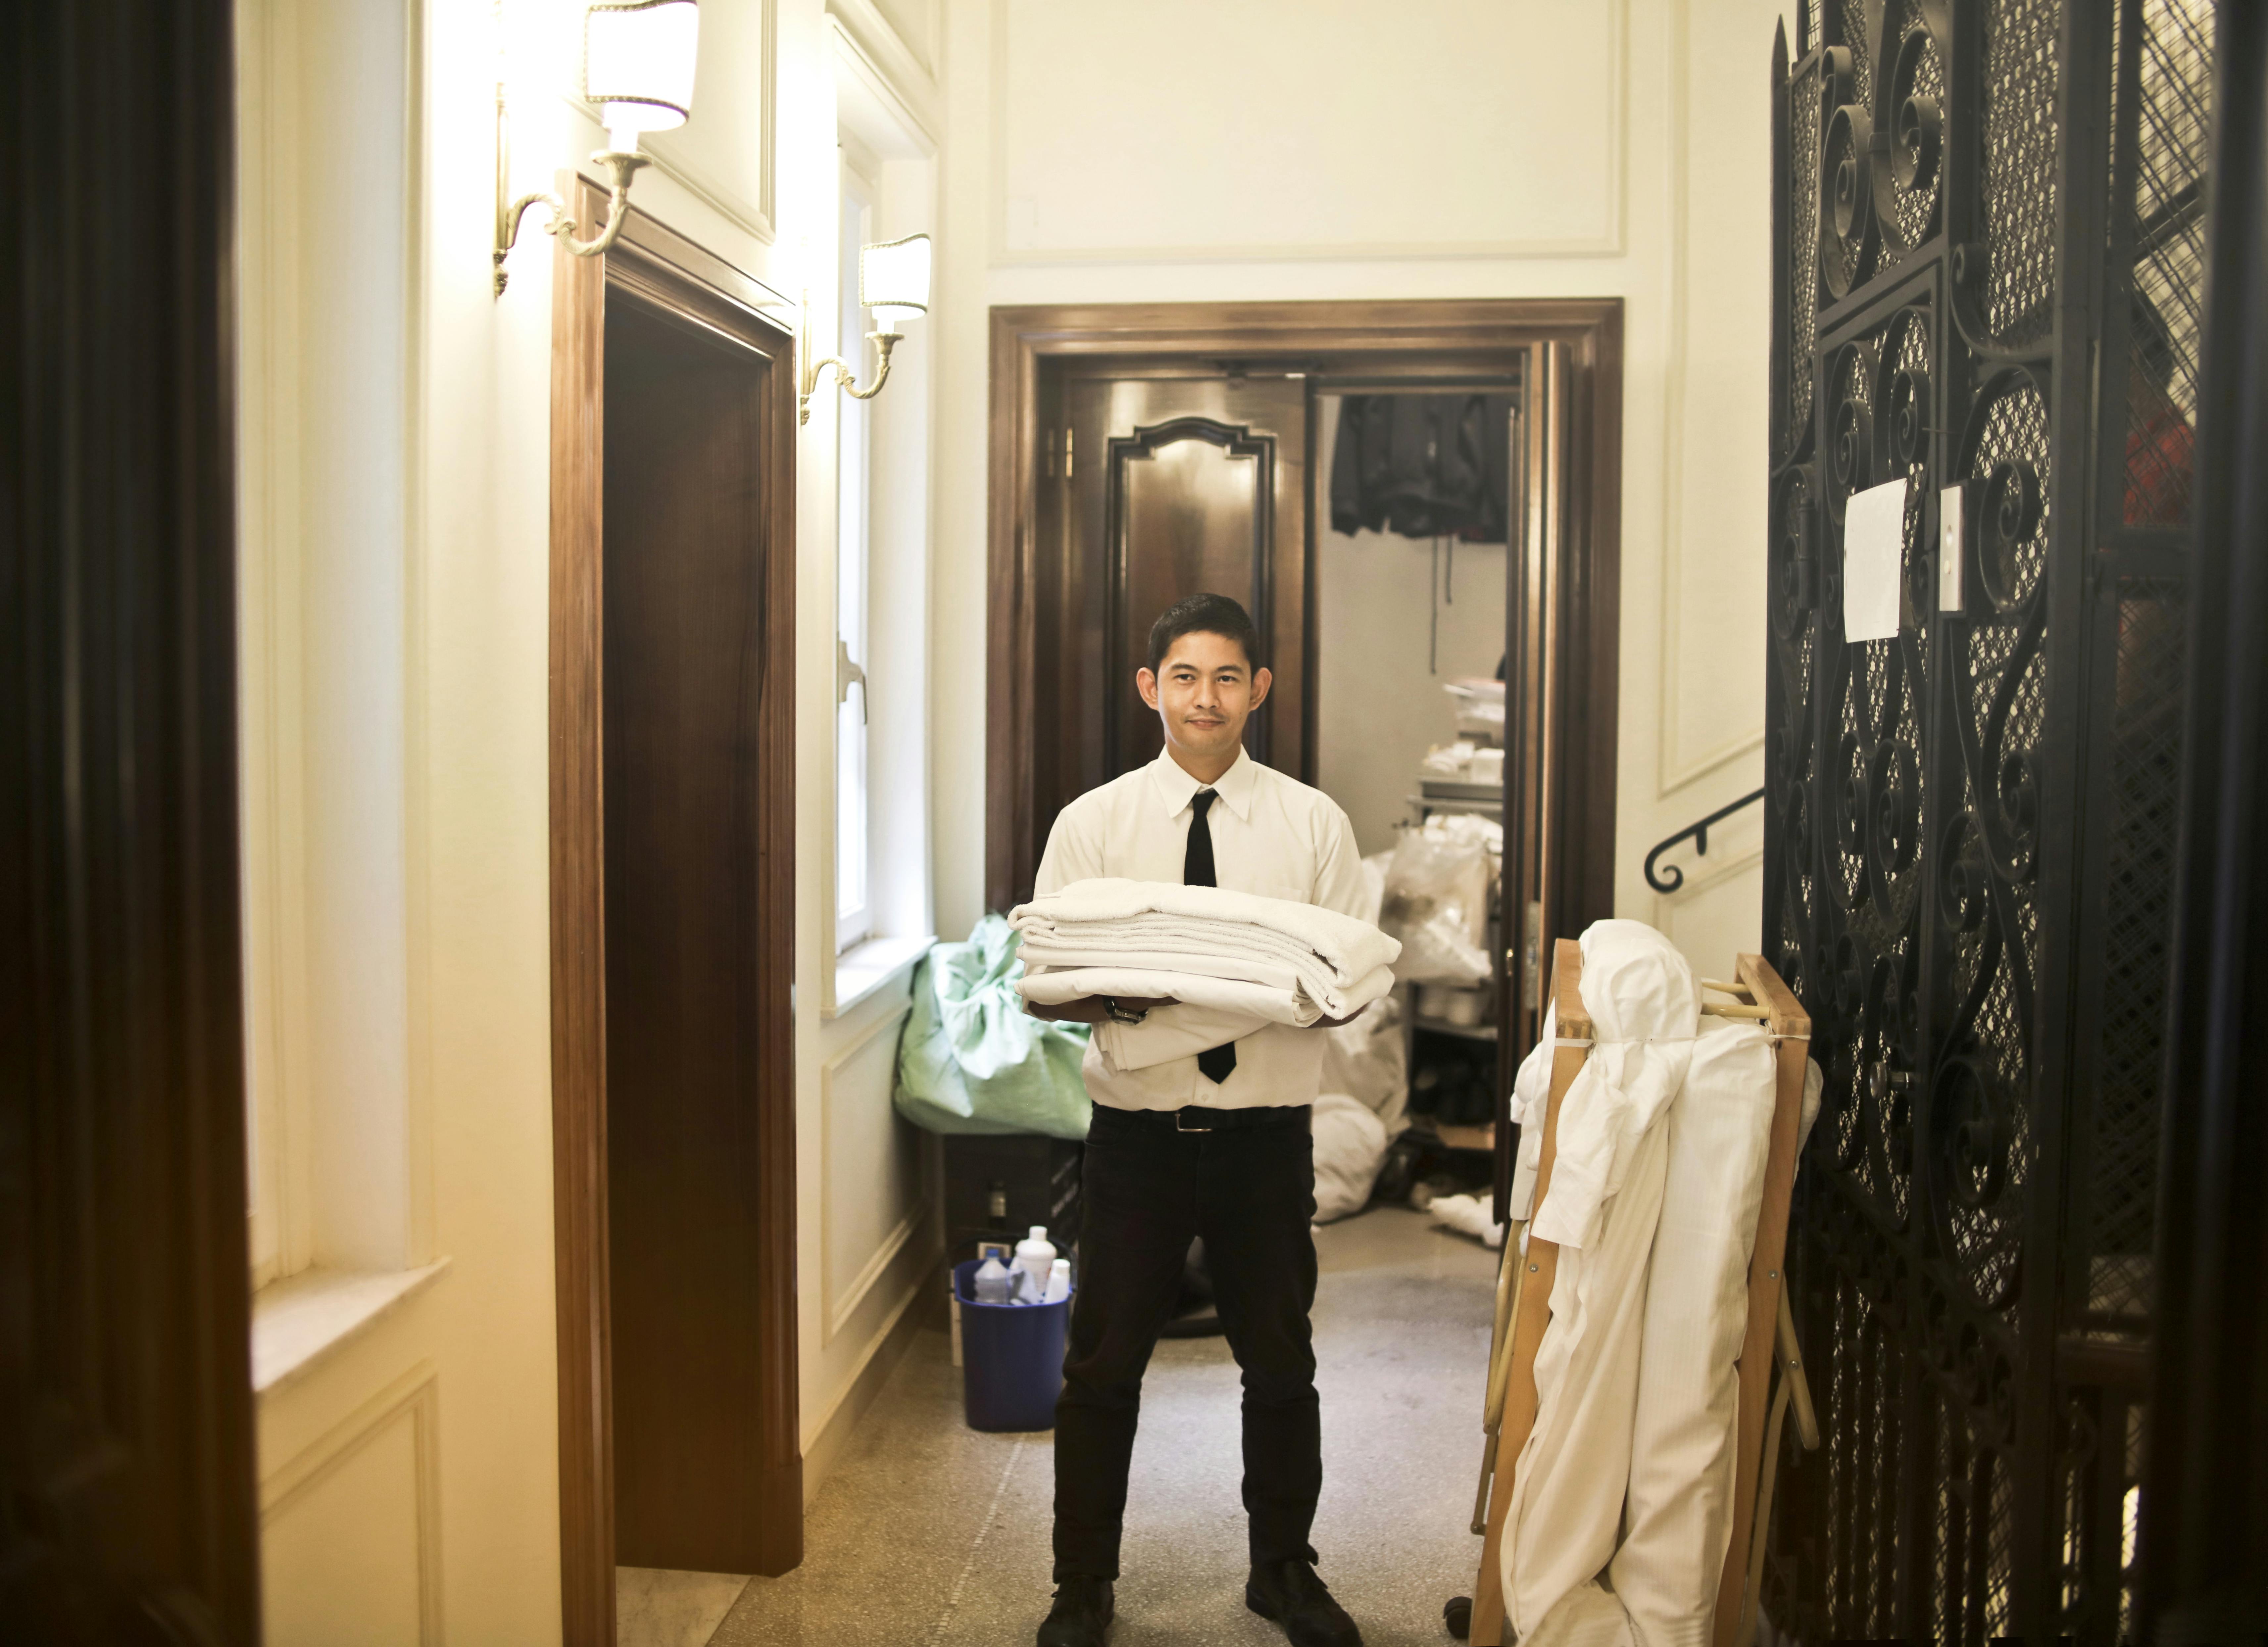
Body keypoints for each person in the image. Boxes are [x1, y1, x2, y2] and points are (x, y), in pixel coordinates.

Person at [1023, 592, 1372, 1647]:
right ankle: (1080, 1586)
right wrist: (1134, 998)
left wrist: (1204, 996)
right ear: (1150, 689)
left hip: (1265, 1137)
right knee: (1101, 1367)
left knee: (1279, 1362)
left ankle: (1283, 1571)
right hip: (1135, 1135)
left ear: (1258, 690)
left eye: (1227, 677)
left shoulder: (1314, 824)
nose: (1204, 697)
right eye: (1184, 676)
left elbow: (1348, 976)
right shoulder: (1095, 824)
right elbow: (1047, 977)